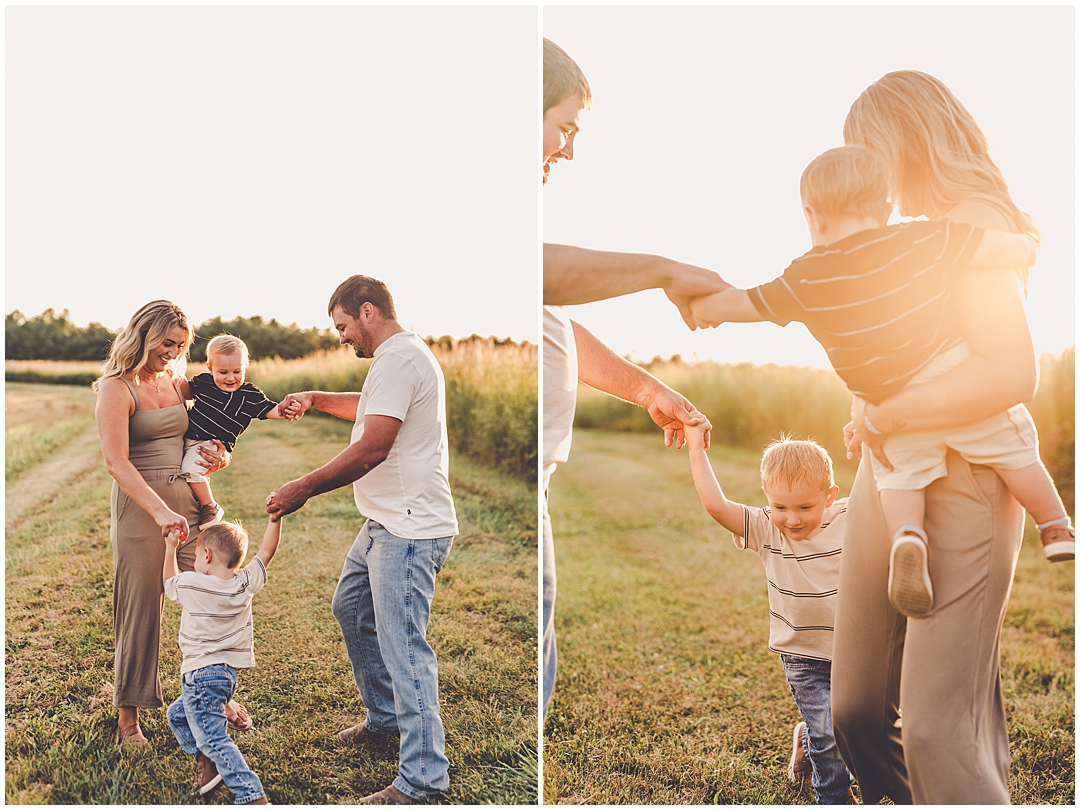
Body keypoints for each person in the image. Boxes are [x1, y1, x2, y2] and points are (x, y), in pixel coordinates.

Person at [689, 144, 1071, 618]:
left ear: (814, 216)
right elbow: (995, 247)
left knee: (900, 474)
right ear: (886, 208)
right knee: (1011, 442)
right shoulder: (919, 239)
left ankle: (908, 539)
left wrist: (699, 309)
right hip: (947, 374)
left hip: (885, 403)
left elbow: (740, 304)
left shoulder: (805, 277)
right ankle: (1054, 524)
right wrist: (1026, 247)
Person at [827, 70, 1053, 804]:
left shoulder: (976, 219)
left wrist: (892, 415)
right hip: (891, 479)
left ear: (906, 143)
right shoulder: (903, 237)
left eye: (868, 155)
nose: (864, 178)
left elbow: (1013, 372)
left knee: (934, 728)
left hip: (968, 476)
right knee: (854, 709)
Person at [541, 37, 729, 720]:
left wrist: (649, 389)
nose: (568, 151)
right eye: (563, 128)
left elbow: (554, 323)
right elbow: (539, 271)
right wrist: (662, 269)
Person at [265, 275, 456, 806]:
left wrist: (302, 487)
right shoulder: (394, 360)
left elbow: (373, 447)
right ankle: (385, 719)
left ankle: (422, 781)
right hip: (384, 521)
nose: (343, 338)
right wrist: (317, 397)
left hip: (410, 529)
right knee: (351, 607)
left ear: (367, 311)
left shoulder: (399, 358)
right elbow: (372, 408)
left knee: (405, 649)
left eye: (344, 326)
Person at [94, 300, 249, 744]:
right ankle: (128, 718)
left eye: (180, 345)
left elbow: (209, 425)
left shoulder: (178, 383)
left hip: (190, 505)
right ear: (144, 334)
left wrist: (221, 455)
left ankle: (215, 695)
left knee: (214, 595)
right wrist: (160, 510)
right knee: (142, 609)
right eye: (166, 343)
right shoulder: (117, 387)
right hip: (143, 510)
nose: (172, 351)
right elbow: (116, 462)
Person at [685, 430, 856, 804]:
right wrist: (696, 448)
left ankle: (806, 738)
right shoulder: (764, 527)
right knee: (829, 732)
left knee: (856, 728)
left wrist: (867, 442)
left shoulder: (848, 515)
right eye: (780, 507)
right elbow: (716, 506)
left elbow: (886, 487)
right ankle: (834, 796)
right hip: (803, 657)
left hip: (854, 653)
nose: (792, 519)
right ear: (767, 500)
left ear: (830, 496)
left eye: (805, 508)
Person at [164, 518, 280, 805]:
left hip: (199, 675)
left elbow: (168, 582)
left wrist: (170, 548)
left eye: (194, 556)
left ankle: (251, 794)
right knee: (177, 715)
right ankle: (210, 763)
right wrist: (275, 519)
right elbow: (266, 551)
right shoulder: (243, 583)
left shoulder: (193, 583)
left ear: (206, 555)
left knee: (214, 738)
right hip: (226, 676)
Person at [180, 334, 301, 528]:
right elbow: (180, 393)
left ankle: (210, 507)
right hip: (186, 437)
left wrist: (287, 410)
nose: (230, 378)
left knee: (190, 471)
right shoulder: (203, 383)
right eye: (223, 372)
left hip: (210, 444)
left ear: (245, 367)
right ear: (210, 368)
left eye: (237, 371)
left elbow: (271, 410)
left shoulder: (249, 395)